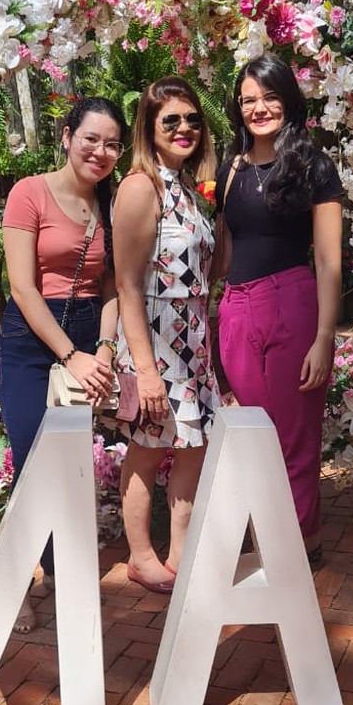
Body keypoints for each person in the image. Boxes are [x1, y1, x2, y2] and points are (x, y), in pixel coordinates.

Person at [0, 97, 128, 631]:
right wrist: (70, 355)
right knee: (31, 462)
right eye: (90, 138)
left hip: (86, 333)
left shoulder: (112, 204)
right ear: (67, 135)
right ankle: (11, 587)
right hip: (33, 339)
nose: (100, 151)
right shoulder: (29, 193)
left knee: (68, 467)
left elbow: (112, 285)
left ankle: (58, 572)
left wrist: (103, 348)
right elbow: (23, 287)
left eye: (113, 144)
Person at [213, 53, 344, 567]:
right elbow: (223, 253)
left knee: (293, 434)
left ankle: (300, 545)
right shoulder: (230, 170)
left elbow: (330, 259)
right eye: (248, 100)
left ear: (288, 99)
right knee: (249, 435)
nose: (258, 108)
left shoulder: (313, 165)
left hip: (292, 301)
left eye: (268, 96)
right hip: (236, 309)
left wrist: (324, 337)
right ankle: (265, 533)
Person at [113, 76, 220, 593]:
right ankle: (139, 555)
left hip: (193, 342)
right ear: (149, 128)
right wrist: (147, 371)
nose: (183, 128)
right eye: (170, 120)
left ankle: (181, 550)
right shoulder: (141, 187)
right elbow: (128, 285)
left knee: (195, 446)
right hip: (156, 342)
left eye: (192, 119)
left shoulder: (192, 191)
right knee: (148, 450)